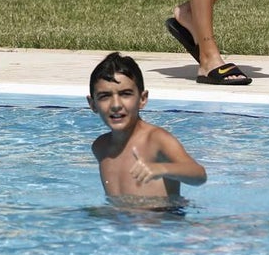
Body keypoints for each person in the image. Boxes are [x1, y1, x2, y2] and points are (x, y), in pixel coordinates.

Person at [88, 53, 205, 204]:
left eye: (125, 94)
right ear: (92, 104)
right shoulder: (100, 147)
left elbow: (199, 175)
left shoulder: (156, 139)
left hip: (163, 221)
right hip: (118, 221)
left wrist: (162, 168)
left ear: (142, 99)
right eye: (105, 96)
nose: (116, 105)